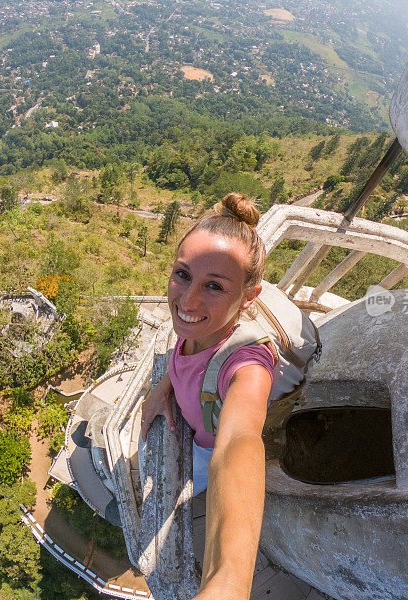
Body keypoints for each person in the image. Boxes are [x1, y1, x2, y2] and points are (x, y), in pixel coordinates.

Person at [140, 193, 276, 600]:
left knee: (181, 487)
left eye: (214, 286)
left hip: (206, 449)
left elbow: (238, 442)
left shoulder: (248, 365)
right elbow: (181, 354)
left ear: (249, 297)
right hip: (189, 416)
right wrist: (162, 386)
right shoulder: (197, 327)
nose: (188, 301)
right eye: (183, 275)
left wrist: (228, 583)